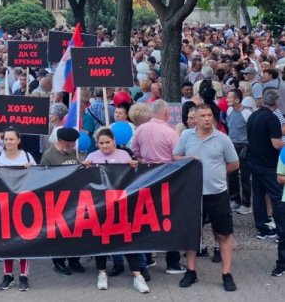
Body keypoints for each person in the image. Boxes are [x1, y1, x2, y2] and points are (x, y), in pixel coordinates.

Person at [173, 104, 239, 292]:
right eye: (202, 116)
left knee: (223, 234)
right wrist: (187, 160)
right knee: (192, 233)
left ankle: (226, 274)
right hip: (193, 194)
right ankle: (191, 271)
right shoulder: (186, 136)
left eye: (209, 115)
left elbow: (234, 164)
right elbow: (175, 156)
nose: (207, 119)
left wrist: (217, 174)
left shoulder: (223, 139)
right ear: (195, 118)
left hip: (217, 194)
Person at [83, 128, 148, 293]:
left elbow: (133, 178)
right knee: (101, 241)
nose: (105, 146)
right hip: (100, 206)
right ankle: (101, 273)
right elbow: (84, 181)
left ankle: (137, 275)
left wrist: (134, 166)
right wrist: (84, 168)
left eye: (107, 142)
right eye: (101, 143)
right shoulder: (92, 156)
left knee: (127, 240)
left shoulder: (124, 155)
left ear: (114, 141)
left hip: (121, 206)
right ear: (97, 144)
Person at [131, 100, 184, 274]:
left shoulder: (140, 130)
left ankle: (146, 259)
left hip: (146, 178)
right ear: (166, 114)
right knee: (170, 218)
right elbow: (176, 156)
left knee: (147, 218)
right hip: (168, 178)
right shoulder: (170, 132)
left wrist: (145, 160)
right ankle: (172, 262)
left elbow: (135, 151)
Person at [0, 127, 34, 291]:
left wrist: (32, 169)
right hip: (4, 204)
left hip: (23, 204)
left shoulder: (27, 156)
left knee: (23, 239)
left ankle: (23, 275)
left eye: (12, 139)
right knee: (6, 239)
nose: (8, 142)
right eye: (6, 139)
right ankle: (8, 274)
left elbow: (37, 179)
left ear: (18, 140)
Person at [247, 89, 285, 274]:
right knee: (277, 198)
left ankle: (261, 227)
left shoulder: (254, 115)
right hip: (269, 165)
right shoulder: (272, 118)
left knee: (258, 196)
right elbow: (276, 143)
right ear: (276, 102)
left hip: (253, 161)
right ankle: (280, 229)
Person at [41, 127, 85, 275]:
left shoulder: (74, 153)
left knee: (75, 231)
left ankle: (74, 260)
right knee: (59, 233)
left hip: (74, 198)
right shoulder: (49, 157)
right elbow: (44, 179)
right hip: (57, 199)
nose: (73, 145)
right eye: (70, 143)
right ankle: (59, 262)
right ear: (61, 141)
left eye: (74, 142)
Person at [225, 89, 252, 214]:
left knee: (245, 176)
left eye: (230, 97)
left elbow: (252, 130)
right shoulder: (229, 110)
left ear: (237, 100)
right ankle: (234, 200)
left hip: (244, 146)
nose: (227, 99)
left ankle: (246, 204)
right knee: (231, 174)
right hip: (231, 145)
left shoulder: (247, 113)